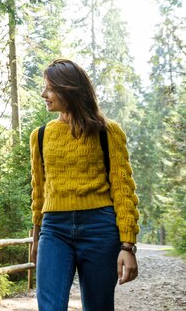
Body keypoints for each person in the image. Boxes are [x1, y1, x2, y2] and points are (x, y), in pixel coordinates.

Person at [30, 58, 140, 311]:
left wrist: (127, 245)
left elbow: (123, 191)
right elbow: (39, 192)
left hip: (100, 228)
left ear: (69, 89)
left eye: (49, 88)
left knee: (99, 306)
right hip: (54, 229)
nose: (43, 94)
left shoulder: (108, 132)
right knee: (50, 307)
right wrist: (36, 239)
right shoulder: (40, 135)